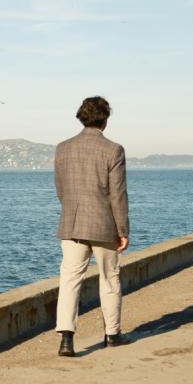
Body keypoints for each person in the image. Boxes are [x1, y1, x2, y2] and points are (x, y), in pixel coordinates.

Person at [54, 96, 131, 356]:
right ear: (105, 119)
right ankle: (112, 335)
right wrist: (123, 230)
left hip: (72, 224)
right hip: (103, 225)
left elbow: (61, 190)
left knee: (70, 280)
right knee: (109, 279)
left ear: (81, 117)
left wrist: (72, 210)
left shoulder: (63, 148)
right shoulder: (113, 149)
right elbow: (117, 195)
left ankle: (66, 339)